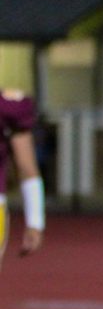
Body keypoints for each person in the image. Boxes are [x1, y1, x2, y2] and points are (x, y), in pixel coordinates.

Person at [0, 88, 44, 266]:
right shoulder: (8, 106)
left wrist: (35, 221)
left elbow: (26, 167)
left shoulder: (8, 107)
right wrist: (35, 222)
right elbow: (27, 168)